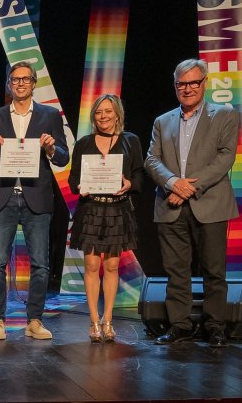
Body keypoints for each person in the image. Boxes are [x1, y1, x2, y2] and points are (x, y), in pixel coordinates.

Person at [145, 58, 239, 348]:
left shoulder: (224, 115)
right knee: (176, 272)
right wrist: (173, 183)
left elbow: (225, 157)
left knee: (213, 270)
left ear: (204, 83)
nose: (187, 89)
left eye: (193, 83)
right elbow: (151, 159)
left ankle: (215, 327)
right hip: (170, 207)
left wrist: (187, 188)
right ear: (175, 86)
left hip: (210, 204)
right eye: (181, 84)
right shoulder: (163, 121)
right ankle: (180, 326)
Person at [0, 62, 69, 341]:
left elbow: (64, 157)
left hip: (36, 196)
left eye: (25, 79)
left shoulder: (50, 115)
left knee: (41, 264)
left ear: (33, 83)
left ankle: (35, 320)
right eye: (15, 79)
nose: (20, 84)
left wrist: (52, 148)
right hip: (1, 196)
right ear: (9, 84)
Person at [67, 94, 143, 342]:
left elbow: (139, 177)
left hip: (117, 210)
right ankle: (93, 322)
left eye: (108, 112)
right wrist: (80, 187)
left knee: (111, 266)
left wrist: (129, 184)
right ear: (94, 116)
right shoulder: (84, 143)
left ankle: (108, 320)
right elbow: (73, 179)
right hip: (91, 209)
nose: (103, 117)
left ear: (117, 114)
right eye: (99, 112)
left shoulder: (131, 141)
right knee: (91, 266)